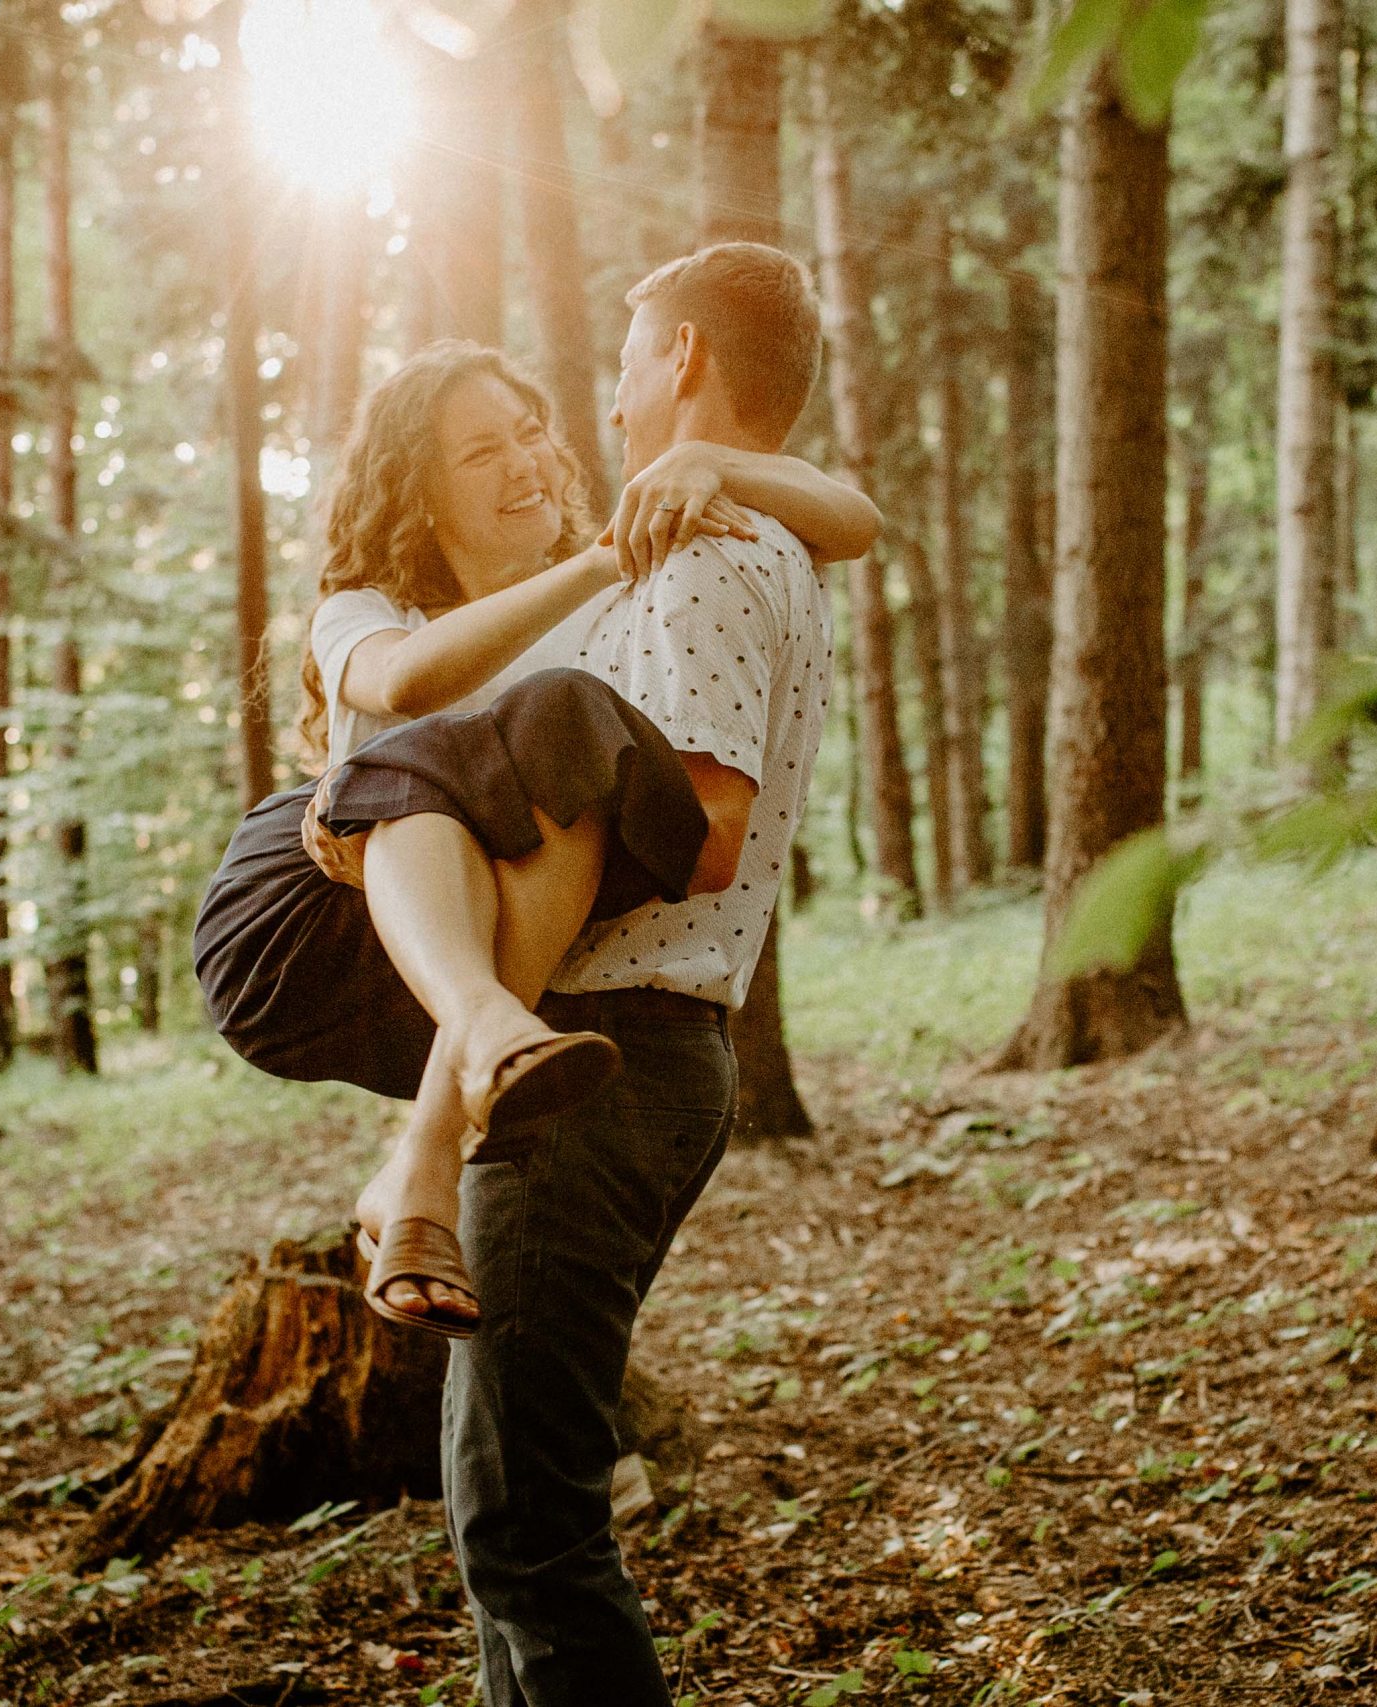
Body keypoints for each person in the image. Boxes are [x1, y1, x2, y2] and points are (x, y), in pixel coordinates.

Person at [190, 338, 874, 1339]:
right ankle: (478, 1044)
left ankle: (422, 1164)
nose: (527, 465)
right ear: (419, 496)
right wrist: (602, 560)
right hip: (300, 923)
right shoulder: (367, 611)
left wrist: (715, 464)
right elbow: (406, 683)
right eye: (481, 454)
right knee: (551, 720)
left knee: (572, 742)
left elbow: (853, 522)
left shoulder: (611, 612)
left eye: (530, 434)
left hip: (461, 949)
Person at [433, 243, 837, 1705]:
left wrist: (481, 881)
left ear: (678, 360)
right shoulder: (724, 542)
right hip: (613, 1053)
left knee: (530, 1531)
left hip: (607, 1056)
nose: (603, 399)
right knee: (507, 1521)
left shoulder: (713, 562)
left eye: (623, 356)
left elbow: (704, 829)